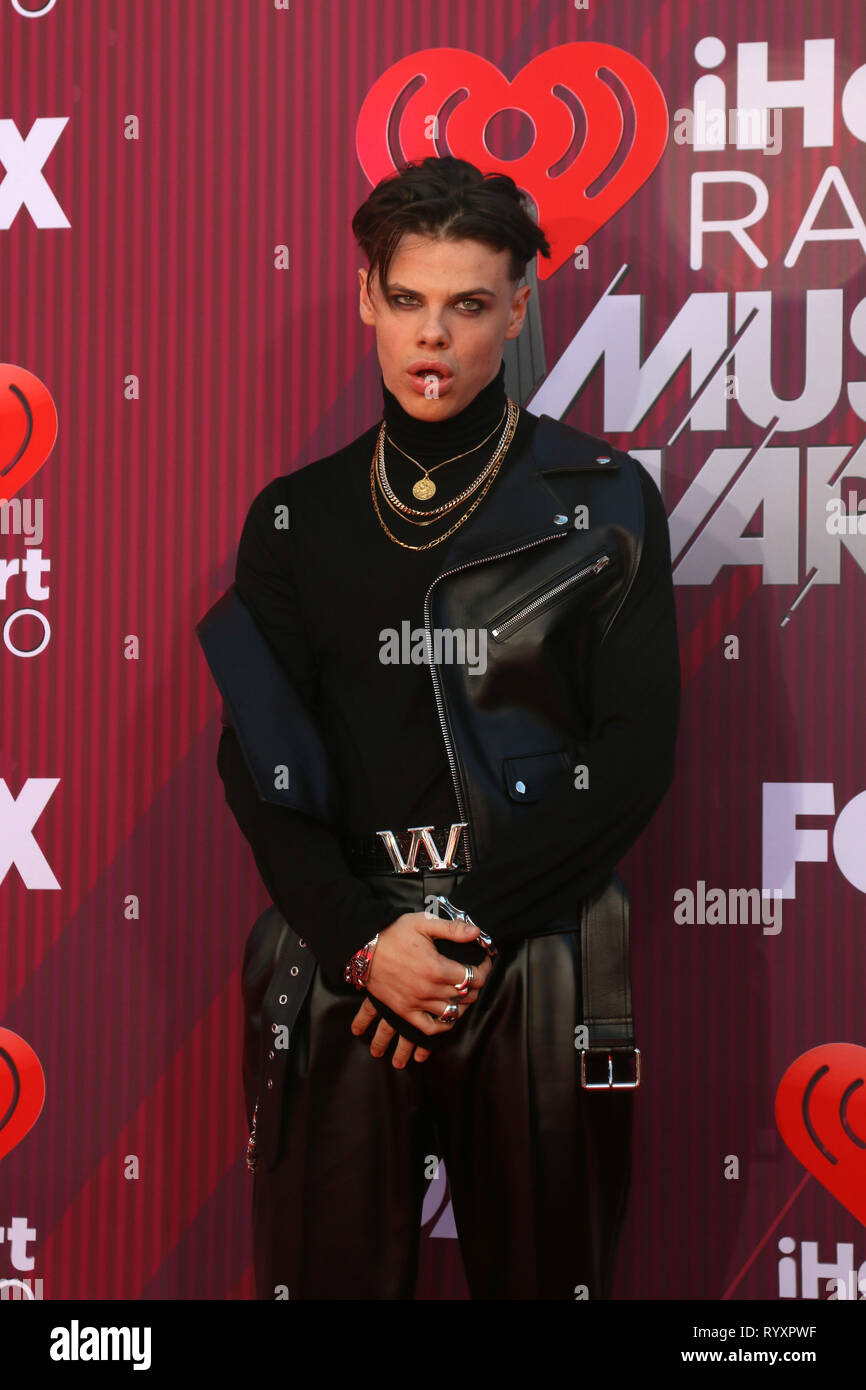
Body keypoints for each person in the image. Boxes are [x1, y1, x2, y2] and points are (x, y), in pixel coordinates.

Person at [201, 154, 681, 1300]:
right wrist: (369, 946)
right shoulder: (293, 516)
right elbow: (260, 769)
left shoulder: (604, 498)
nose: (435, 338)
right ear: (367, 293)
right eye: (409, 300)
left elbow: (632, 755)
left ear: (517, 309)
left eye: (469, 306)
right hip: (340, 956)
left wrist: (448, 944)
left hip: (534, 957)